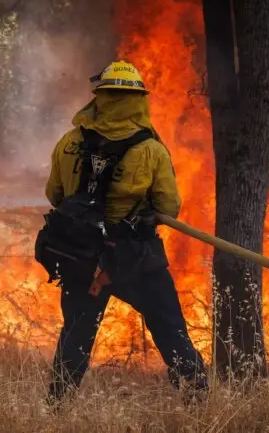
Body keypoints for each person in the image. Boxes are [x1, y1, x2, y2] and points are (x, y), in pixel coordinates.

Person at [42, 60, 208, 405]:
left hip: (80, 256)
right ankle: (198, 405)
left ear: (99, 99)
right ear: (138, 100)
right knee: (169, 329)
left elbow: (55, 195)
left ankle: (55, 406)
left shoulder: (69, 142)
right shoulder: (150, 150)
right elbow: (169, 205)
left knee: (76, 334)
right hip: (134, 257)